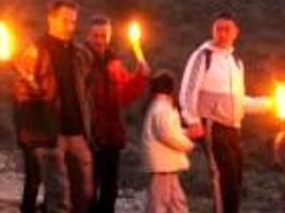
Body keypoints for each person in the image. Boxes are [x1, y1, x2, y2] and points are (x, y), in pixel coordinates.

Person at [178, 11, 274, 213]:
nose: (221, 33)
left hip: (233, 129)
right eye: (218, 29)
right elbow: (187, 91)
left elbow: (240, 102)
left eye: (226, 29)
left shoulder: (236, 62)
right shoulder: (203, 56)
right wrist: (191, 120)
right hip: (212, 126)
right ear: (212, 30)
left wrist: (272, 104)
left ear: (235, 32)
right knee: (224, 178)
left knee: (235, 179)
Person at [14, 0, 94, 213]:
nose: (70, 26)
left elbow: (85, 90)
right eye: (65, 20)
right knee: (59, 197)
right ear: (51, 19)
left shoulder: (79, 53)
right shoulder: (35, 51)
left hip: (77, 133)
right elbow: (21, 95)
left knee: (84, 194)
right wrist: (34, 132)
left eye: (73, 21)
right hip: (50, 133)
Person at [86, 17, 149, 213]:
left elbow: (125, 93)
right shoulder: (81, 60)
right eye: (95, 35)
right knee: (87, 188)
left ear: (109, 37)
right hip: (88, 134)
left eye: (103, 35)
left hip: (112, 135)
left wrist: (140, 76)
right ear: (88, 36)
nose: (99, 40)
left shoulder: (115, 64)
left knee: (110, 188)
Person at [142, 70, 198, 213]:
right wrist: (187, 144)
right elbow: (167, 134)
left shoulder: (160, 107)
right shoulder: (162, 108)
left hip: (166, 164)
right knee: (159, 202)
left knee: (175, 200)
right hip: (163, 165)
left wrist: (186, 133)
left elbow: (170, 130)